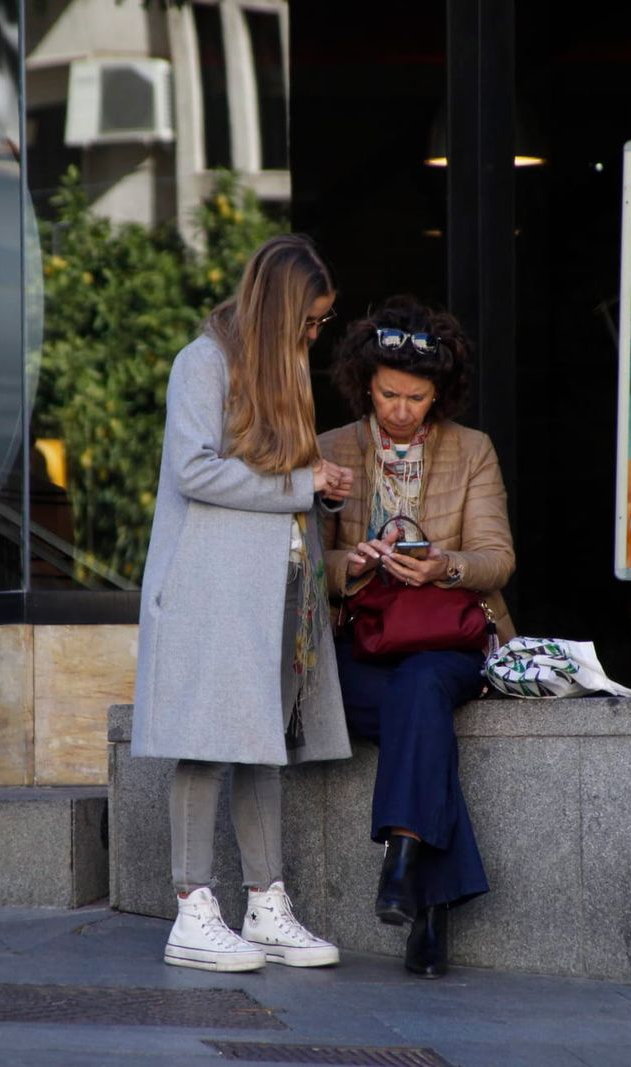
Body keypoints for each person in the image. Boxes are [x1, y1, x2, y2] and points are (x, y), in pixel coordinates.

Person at [133, 234, 357, 973]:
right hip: (208, 587)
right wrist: (303, 485)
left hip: (273, 584)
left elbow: (269, 472)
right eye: (311, 320)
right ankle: (191, 907)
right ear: (284, 309)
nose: (315, 334)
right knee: (204, 742)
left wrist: (317, 478)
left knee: (264, 741)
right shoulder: (203, 363)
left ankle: (265, 903)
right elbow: (195, 471)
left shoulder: (282, 368)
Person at [318, 297, 516, 979]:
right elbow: (301, 564)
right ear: (364, 382)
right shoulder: (331, 450)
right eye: (388, 393)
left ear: (441, 394)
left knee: (424, 683)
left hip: (447, 639)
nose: (401, 409)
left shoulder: (473, 448)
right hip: (362, 644)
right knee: (415, 705)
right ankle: (424, 899)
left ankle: (403, 861)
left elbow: (498, 558)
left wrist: (444, 565)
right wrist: (352, 564)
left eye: (417, 397)